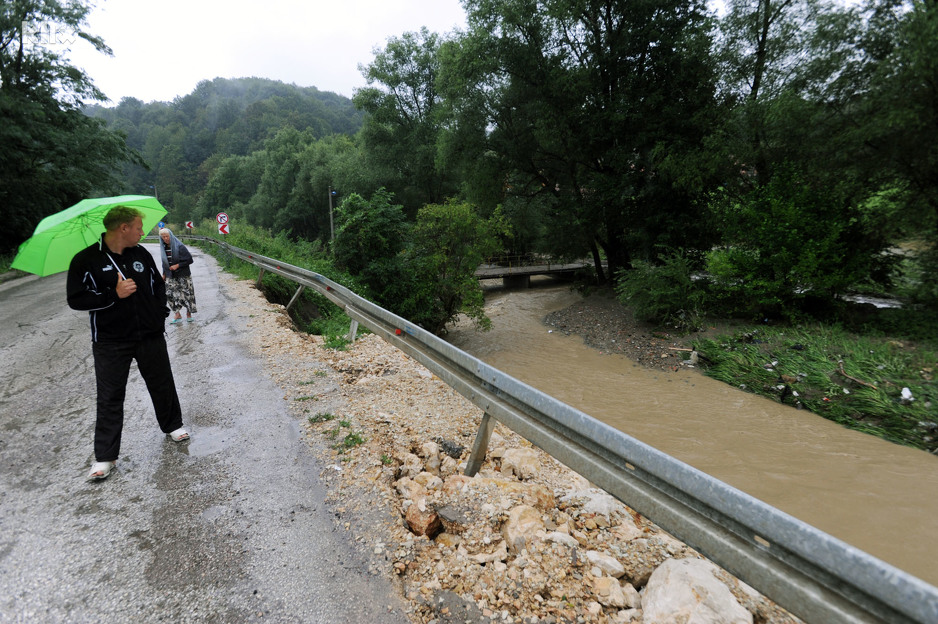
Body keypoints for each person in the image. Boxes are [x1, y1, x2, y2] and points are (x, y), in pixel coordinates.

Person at [67, 206, 189, 481]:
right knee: (110, 396)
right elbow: (76, 299)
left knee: (162, 382)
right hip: (110, 341)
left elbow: (157, 285)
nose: (142, 232)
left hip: (149, 334)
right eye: (137, 227)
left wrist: (160, 313)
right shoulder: (85, 260)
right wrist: (113, 293)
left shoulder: (140, 254)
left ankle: (173, 425)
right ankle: (105, 457)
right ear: (123, 228)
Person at [158, 227, 197, 323]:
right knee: (169, 295)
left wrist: (178, 265)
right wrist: (164, 274)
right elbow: (164, 263)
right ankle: (177, 314)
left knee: (187, 295)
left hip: (183, 274)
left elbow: (189, 260)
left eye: (167, 236)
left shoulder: (180, 246)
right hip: (170, 275)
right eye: (163, 237)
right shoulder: (163, 249)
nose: (165, 239)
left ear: (170, 236)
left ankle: (189, 314)